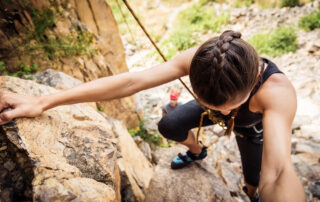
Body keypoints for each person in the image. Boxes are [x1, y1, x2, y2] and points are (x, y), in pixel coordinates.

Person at [0, 30, 306, 201]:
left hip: (251, 129)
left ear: (253, 78)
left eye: (228, 105)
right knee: (169, 123)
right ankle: (198, 151)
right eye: (212, 103)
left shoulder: (276, 93)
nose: (223, 112)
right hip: (215, 107)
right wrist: (43, 101)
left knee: (256, 184)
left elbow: (278, 171)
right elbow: (132, 81)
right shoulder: (202, 60)